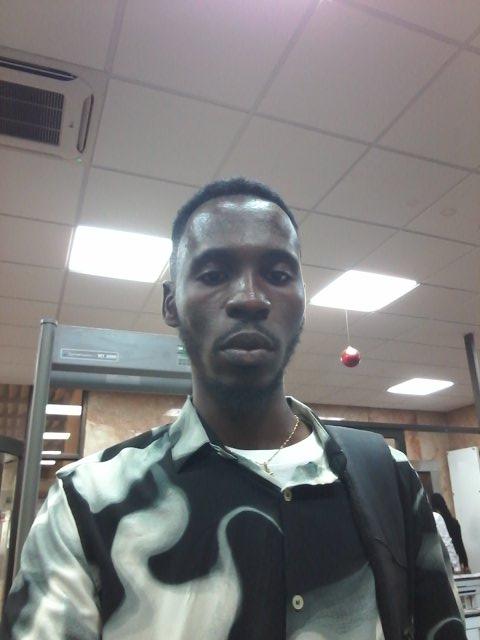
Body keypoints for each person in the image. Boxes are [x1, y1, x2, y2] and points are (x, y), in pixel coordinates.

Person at [2, 178, 466, 639]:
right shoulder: (86, 505)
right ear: (171, 304)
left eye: (278, 275)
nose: (249, 298)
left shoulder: (388, 477)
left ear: (303, 302)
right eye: (213, 274)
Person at [431, 492, 470, 573]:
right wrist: (465, 564)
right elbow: (460, 544)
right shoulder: (454, 523)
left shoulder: (435, 522)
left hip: (444, 564)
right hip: (459, 562)